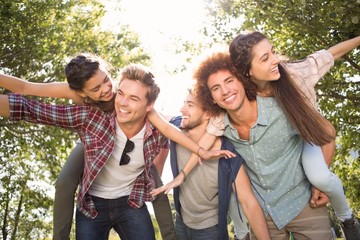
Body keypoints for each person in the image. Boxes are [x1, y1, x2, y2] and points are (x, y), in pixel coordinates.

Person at [0, 63, 233, 239]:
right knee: (64, 182)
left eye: (133, 98)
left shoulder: (159, 127)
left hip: (130, 202)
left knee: (157, 189)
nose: (121, 102)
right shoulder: (92, 116)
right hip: (93, 205)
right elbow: (29, 107)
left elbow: (192, 121)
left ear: (149, 106)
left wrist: (208, 140)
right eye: (120, 93)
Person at [228, 32, 360, 240]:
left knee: (319, 177)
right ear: (247, 72)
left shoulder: (294, 74)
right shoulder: (243, 98)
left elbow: (330, 54)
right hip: (281, 158)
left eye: (272, 52)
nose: (275, 60)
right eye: (265, 58)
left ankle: (347, 218)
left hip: (309, 137)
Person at [153, 89, 268, 239]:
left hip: (209, 231)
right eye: (184, 103)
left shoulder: (228, 153)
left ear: (208, 114)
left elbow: (248, 203)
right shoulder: (176, 130)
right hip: (181, 222)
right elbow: (151, 114)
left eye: (190, 105)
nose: (182, 109)